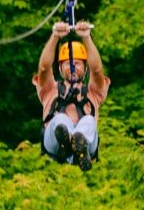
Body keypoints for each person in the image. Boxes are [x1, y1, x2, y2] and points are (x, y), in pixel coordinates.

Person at [34, 20, 109, 171]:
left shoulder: (93, 92)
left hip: (87, 145)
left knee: (88, 120)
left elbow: (97, 70)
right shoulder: (50, 89)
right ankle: (65, 141)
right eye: (68, 64)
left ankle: (79, 144)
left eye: (78, 63)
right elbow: (44, 67)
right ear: (60, 69)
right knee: (60, 120)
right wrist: (55, 37)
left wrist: (87, 38)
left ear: (85, 68)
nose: (73, 67)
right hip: (53, 144)